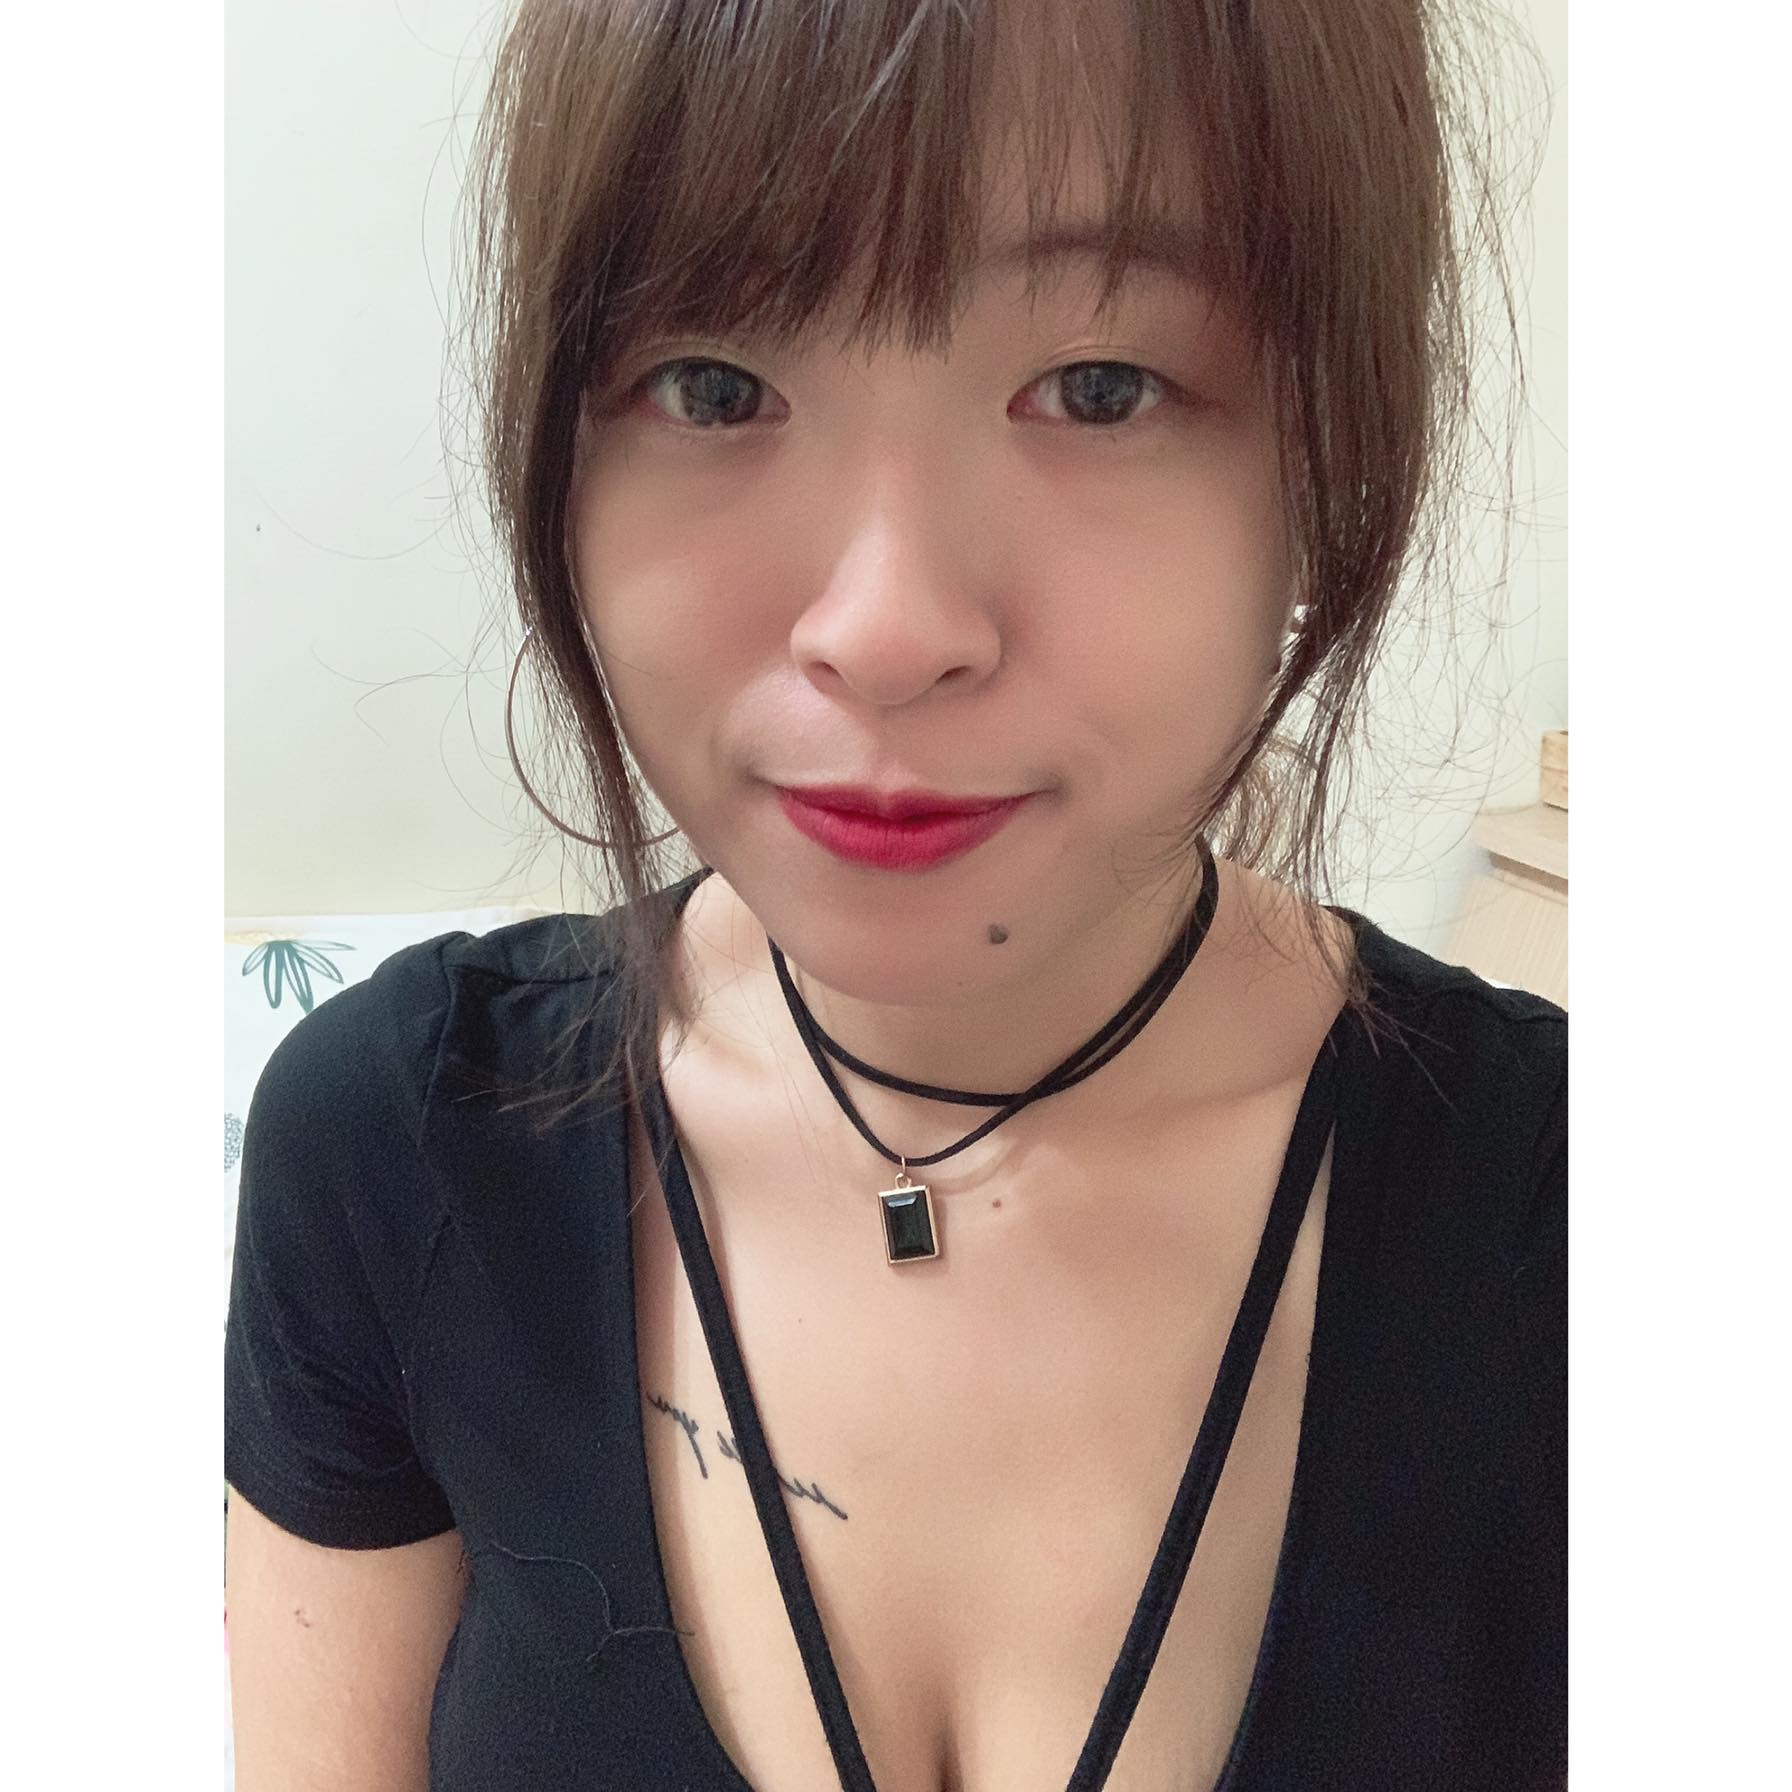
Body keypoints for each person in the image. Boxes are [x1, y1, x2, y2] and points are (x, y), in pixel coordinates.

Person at [224, 0, 1565, 1787]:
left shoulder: (1572, 1223)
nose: (885, 628)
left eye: (1102, 386)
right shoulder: (393, 1149)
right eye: (715, 385)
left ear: (1329, 454)